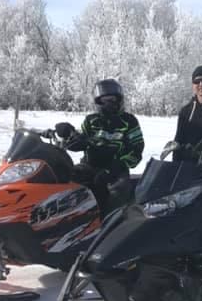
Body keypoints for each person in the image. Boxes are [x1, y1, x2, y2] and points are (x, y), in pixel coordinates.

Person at [55, 79, 144, 212]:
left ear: (119, 100)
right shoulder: (91, 120)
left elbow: (137, 149)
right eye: (104, 100)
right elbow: (80, 139)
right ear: (98, 101)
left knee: (115, 195)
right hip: (90, 166)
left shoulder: (129, 121)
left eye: (112, 99)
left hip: (115, 169)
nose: (108, 103)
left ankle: (112, 226)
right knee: (65, 185)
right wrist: (68, 133)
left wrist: (116, 167)